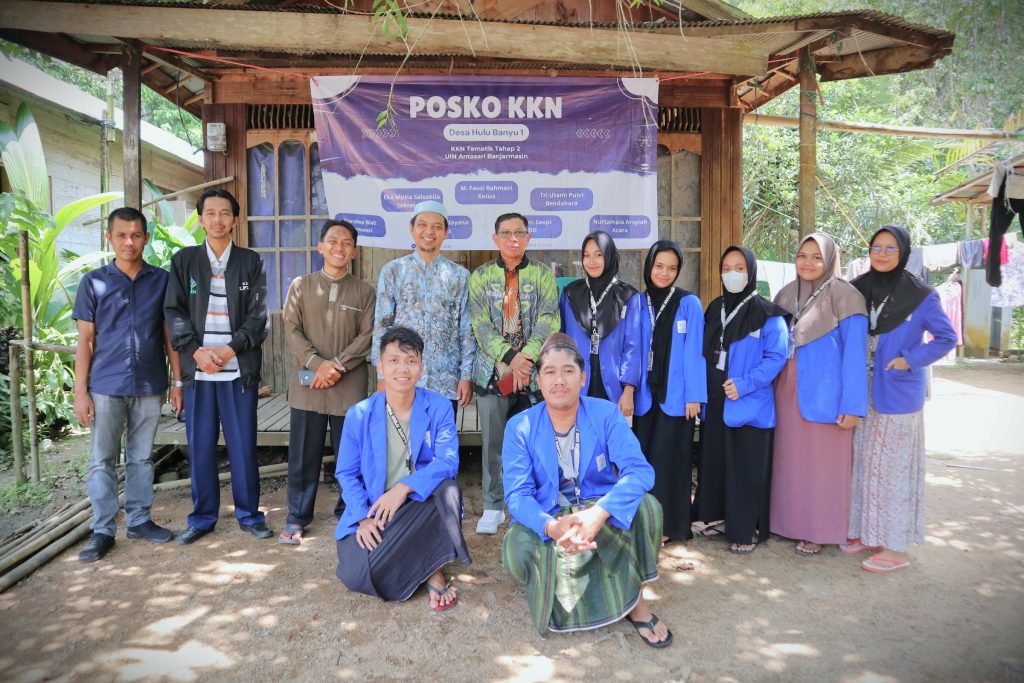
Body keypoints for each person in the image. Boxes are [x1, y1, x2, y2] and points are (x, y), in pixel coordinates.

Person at [501, 333, 670, 647]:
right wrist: (551, 527)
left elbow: (639, 471)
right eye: (549, 372)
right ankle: (572, 581)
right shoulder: (520, 426)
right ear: (539, 380)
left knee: (647, 508)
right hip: (552, 514)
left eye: (568, 371)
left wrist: (600, 513)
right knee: (515, 550)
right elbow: (518, 496)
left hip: (598, 505)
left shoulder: (606, 414)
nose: (559, 380)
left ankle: (637, 602)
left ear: (583, 377)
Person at [72, 207, 183, 563]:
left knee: (141, 458)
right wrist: (80, 391)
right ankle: (103, 529)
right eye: (121, 235)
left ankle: (138, 520)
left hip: (149, 383)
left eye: (136, 235)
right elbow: (85, 341)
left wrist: (177, 381)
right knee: (102, 459)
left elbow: (170, 337)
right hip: (104, 384)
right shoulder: (93, 282)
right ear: (109, 238)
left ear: (146, 239)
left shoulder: (161, 280)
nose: (129, 242)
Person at [334, 327, 470, 610]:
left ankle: (433, 572)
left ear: (421, 367)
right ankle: (425, 561)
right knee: (357, 574)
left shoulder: (439, 407)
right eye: (394, 360)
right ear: (380, 365)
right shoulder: (359, 414)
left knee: (448, 490)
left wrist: (404, 487)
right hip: (375, 509)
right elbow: (346, 473)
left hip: (415, 506)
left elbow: (448, 462)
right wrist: (362, 518)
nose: (403, 369)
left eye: (411, 361)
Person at [846, 225, 956, 572]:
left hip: (897, 391)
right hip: (861, 392)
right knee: (866, 465)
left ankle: (896, 548)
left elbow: (946, 337)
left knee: (893, 472)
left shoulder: (921, 294)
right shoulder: (857, 289)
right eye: (876, 247)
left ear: (903, 252)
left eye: (890, 248)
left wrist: (911, 359)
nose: (881, 253)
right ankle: (869, 533)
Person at [164, 188, 272, 544]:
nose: (218, 219)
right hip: (199, 372)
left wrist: (228, 350)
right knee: (200, 444)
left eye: (225, 213)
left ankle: (249, 514)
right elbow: (173, 312)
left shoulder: (250, 261)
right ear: (201, 219)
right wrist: (195, 352)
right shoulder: (184, 261)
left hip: (237, 369)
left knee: (243, 445)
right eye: (210, 213)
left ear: (235, 220)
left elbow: (259, 319)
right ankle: (202, 516)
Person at [769, 233, 868, 556]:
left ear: (830, 260)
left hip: (827, 394)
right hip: (785, 390)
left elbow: (855, 356)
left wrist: (852, 405)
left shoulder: (847, 296)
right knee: (790, 462)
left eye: (816, 257)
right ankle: (787, 523)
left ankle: (819, 529)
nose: (807, 263)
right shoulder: (785, 294)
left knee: (824, 467)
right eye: (802, 255)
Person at [279, 219, 376, 544]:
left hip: (348, 382)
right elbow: (291, 329)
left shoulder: (364, 291)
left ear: (354, 251)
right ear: (320, 246)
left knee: (351, 453)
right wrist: (317, 364)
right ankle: (297, 515)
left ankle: (350, 508)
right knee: (303, 452)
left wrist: (335, 365)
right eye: (332, 241)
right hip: (308, 380)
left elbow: (368, 335)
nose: (339, 247)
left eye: (346, 242)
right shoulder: (301, 285)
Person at [467, 212, 560, 535]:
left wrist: (526, 358)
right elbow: (479, 323)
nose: (513, 238)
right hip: (493, 374)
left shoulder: (542, 276)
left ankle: (532, 503)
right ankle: (493, 506)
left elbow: (549, 319)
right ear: (495, 239)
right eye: (505, 233)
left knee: (535, 441)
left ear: (529, 238)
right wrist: (509, 357)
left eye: (519, 232)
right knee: (493, 443)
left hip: (533, 374)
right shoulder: (479, 276)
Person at [694, 246, 788, 554]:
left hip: (747, 402)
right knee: (718, 461)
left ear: (750, 271)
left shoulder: (767, 313)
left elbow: (776, 357)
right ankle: (719, 518)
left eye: (739, 268)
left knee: (745, 467)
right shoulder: (715, 307)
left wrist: (746, 384)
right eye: (727, 268)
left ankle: (744, 530)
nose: (732, 274)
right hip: (716, 399)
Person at [632, 241, 706, 542]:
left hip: (677, 398)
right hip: (644, 397)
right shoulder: (638, 301)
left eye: (672, 268)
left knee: (670, 461)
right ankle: (643, 521)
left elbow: (694, 352)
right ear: (649, 266)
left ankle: (667, 526)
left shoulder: (689, 303)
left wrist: (694, 396)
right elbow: (633, 349)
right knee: (643, 459)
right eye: (659, 266)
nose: (664, 272)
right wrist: (628, 391)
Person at [371, 200, 475, 413]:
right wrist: (382, 375)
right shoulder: (393, 271)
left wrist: (466, 375)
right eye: (422, 225)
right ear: (412, 229)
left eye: (437, 227)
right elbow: (382, 326)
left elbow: (466, 330)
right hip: (401, 379)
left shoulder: (460, 276)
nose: (429, 232)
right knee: (401, 444)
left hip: (445, 381)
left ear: (446, 232)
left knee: (440, 443)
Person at [559, 230, 642, 415]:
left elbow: (633, 347)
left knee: (609, 442)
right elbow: (562, 341)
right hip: (576, 385)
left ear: (610, 256)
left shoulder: (628, 296)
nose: (592, 261)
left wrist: (628, 390)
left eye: (598, 255)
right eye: (586, 256)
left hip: (614, 388)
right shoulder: (570, 293)